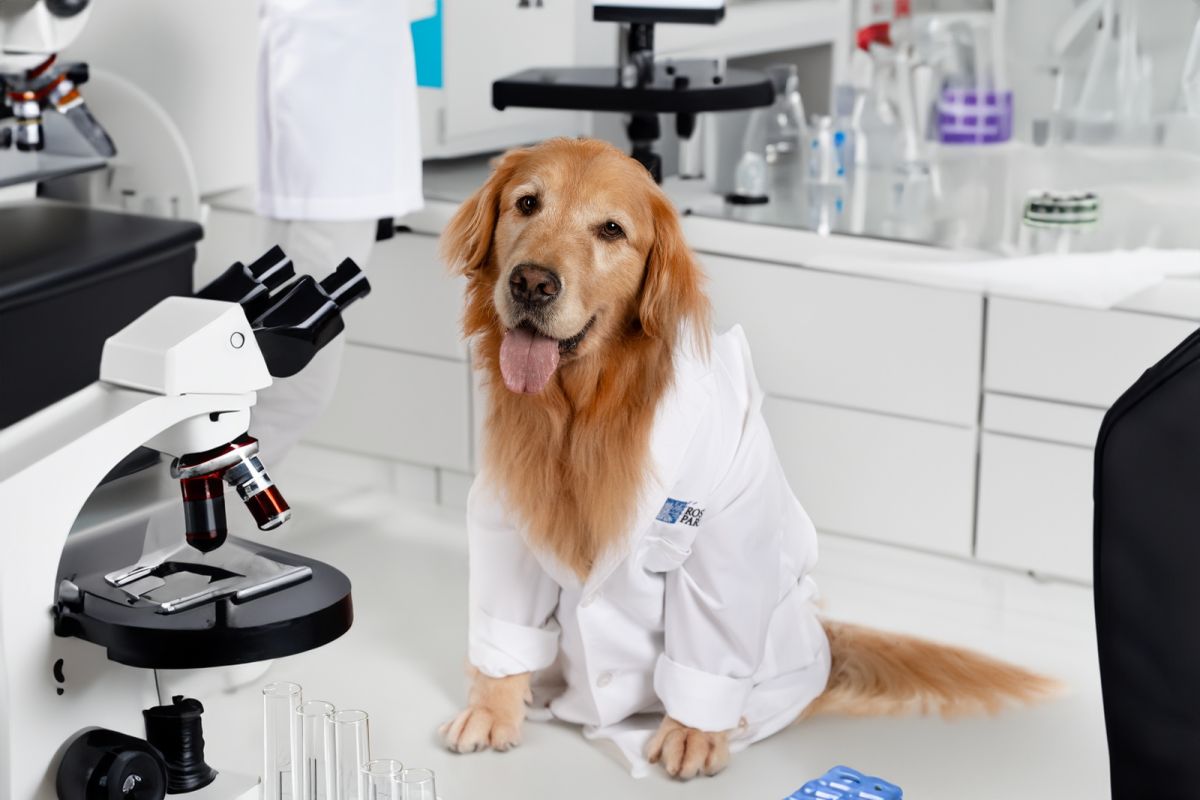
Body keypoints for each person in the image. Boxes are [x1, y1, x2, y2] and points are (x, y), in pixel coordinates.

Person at [251, 0, 424, 462]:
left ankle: (186, 518)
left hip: (329, 146)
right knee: (291, 388)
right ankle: (185, 524)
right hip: (333, 158)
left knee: (278, 378)